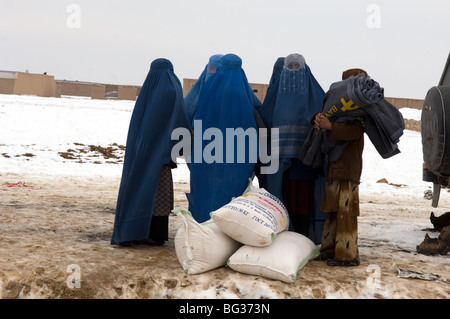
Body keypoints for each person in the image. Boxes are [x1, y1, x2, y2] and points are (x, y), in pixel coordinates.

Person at [111, 58, 191, 247]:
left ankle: (137, 231)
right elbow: (179, 119)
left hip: (144, 149)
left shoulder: (151, 89)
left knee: (141, 187)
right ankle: (156, 233)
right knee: (159, 191)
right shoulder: (173, 88)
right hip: (161, 152)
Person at [257, 53, 326, 239]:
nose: (293, 75)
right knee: (282, 201)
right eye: (290, 69)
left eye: (298, 68)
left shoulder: (318, 97)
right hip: (279, 166)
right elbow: (264, 125)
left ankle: (302, 238)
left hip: (307, 164)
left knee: (304, 203)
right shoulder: (274, 97)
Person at [187, 53, 258, 223]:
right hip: (238, 155)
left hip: (206, 152)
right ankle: (228, 225)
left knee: (205, 188)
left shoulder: (208, 88)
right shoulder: (243, 91)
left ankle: (202, 222)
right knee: (231, 191)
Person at [314, 68, 368, 266]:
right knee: (333, 209)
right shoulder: (342, 105)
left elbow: (355, 131)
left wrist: (330, 126)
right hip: (336, 165)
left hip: (348, 167)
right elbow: (331, 118)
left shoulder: (360, 107)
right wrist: (319, 119)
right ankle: (330, 249)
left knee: (346, 212)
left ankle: (347, 255)